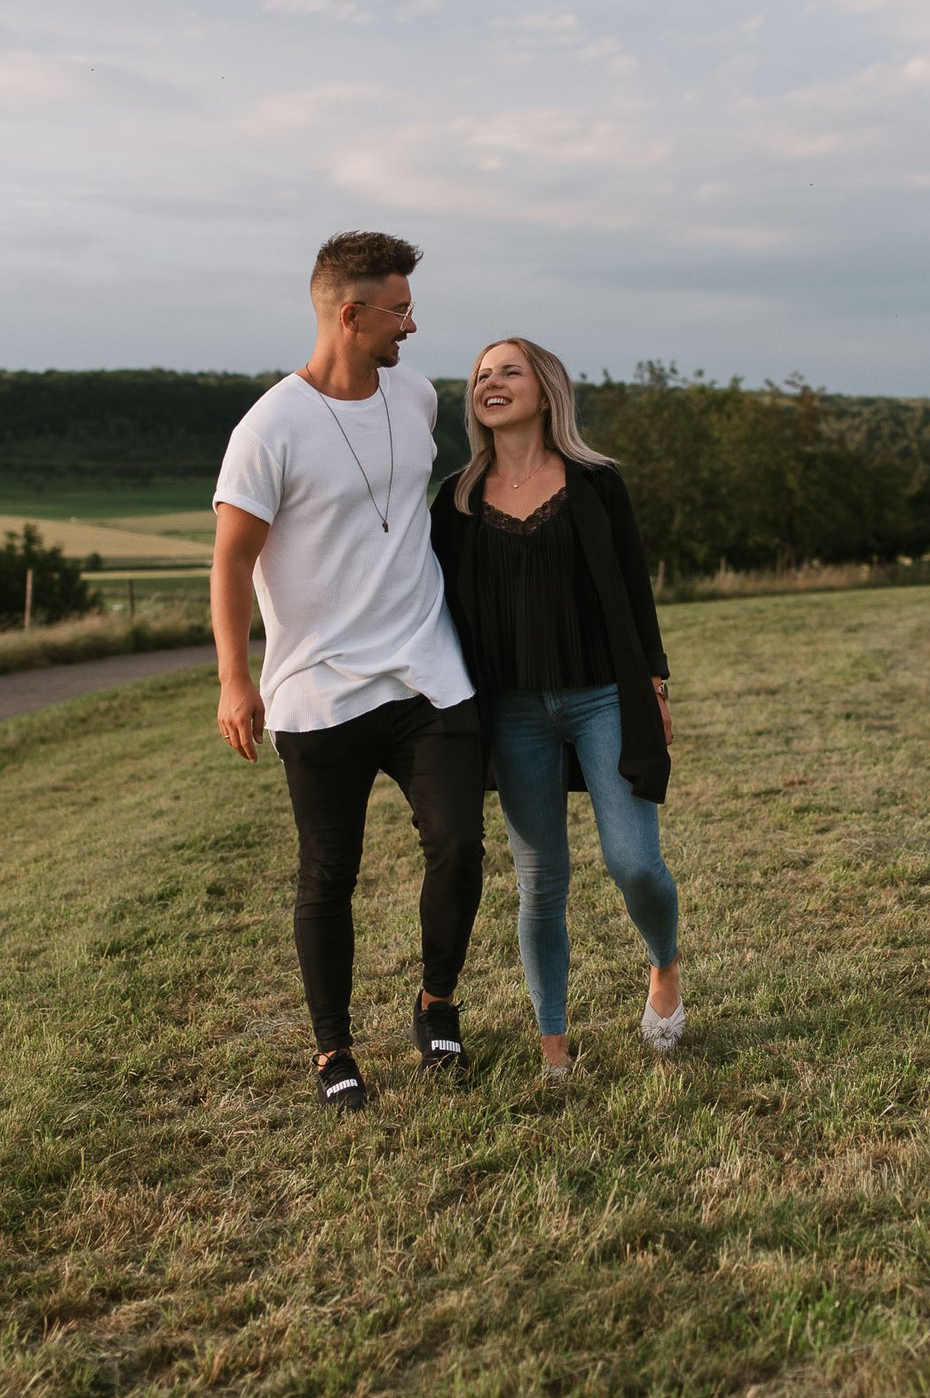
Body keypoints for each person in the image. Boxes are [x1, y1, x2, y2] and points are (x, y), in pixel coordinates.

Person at [211, 231, 483, 1112]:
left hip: (425, 669)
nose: (413, 322)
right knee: (330, 871)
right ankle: (334, 1049)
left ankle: (435, 1000)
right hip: (318, 686)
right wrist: (234, 678)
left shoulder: (417, 396)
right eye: (399, 309)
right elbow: (228, 562)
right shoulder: (269, 428)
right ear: (350, 312)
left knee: (460, 843)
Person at [429, 337, 683, 1078]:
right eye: (481, 374)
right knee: (541, 882)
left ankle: (664, 963)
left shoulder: (597, 482)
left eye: (510, 370)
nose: (492, 382)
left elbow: (635, 591)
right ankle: (553, 1043)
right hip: (511, 712)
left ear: (547, 389)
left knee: (634, 861)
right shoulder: (457, 498)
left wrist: (656, 686)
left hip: (603, 694)